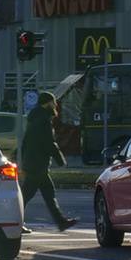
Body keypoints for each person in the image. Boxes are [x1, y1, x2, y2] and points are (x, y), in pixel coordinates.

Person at [18, 91, 77, 233]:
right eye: (53, 102)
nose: (55, 105)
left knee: (43, 194)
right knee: (28, 196)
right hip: (38, 165)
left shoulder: (34, 118)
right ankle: (14, 222)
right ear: (48, 103)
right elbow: (49, 143)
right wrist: (61, 160)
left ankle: (61, 222)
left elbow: (25, 142)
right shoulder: (44, 120)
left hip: (33, 163)